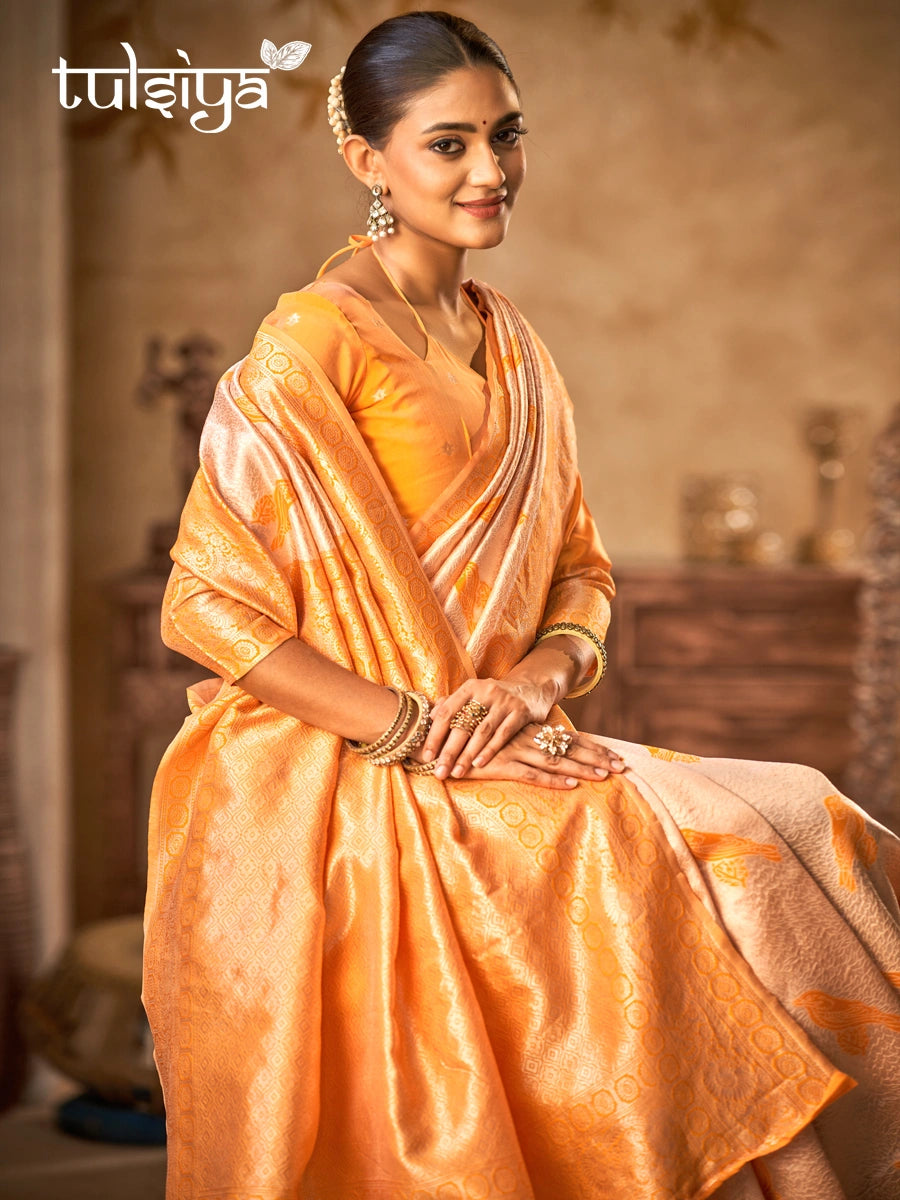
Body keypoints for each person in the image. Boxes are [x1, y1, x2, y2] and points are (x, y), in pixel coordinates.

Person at [142, 11, 900, 1199]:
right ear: (367, 160)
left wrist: (530, 686)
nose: (489, 169)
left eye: (506, 134)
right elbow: (208, 605)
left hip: (510, 729)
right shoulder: (310, 346)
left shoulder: (514, 345)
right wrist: (420, 729)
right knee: (731, 855)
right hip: (347, 756)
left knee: (813, 814)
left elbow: (583, 575)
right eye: (447, 144)